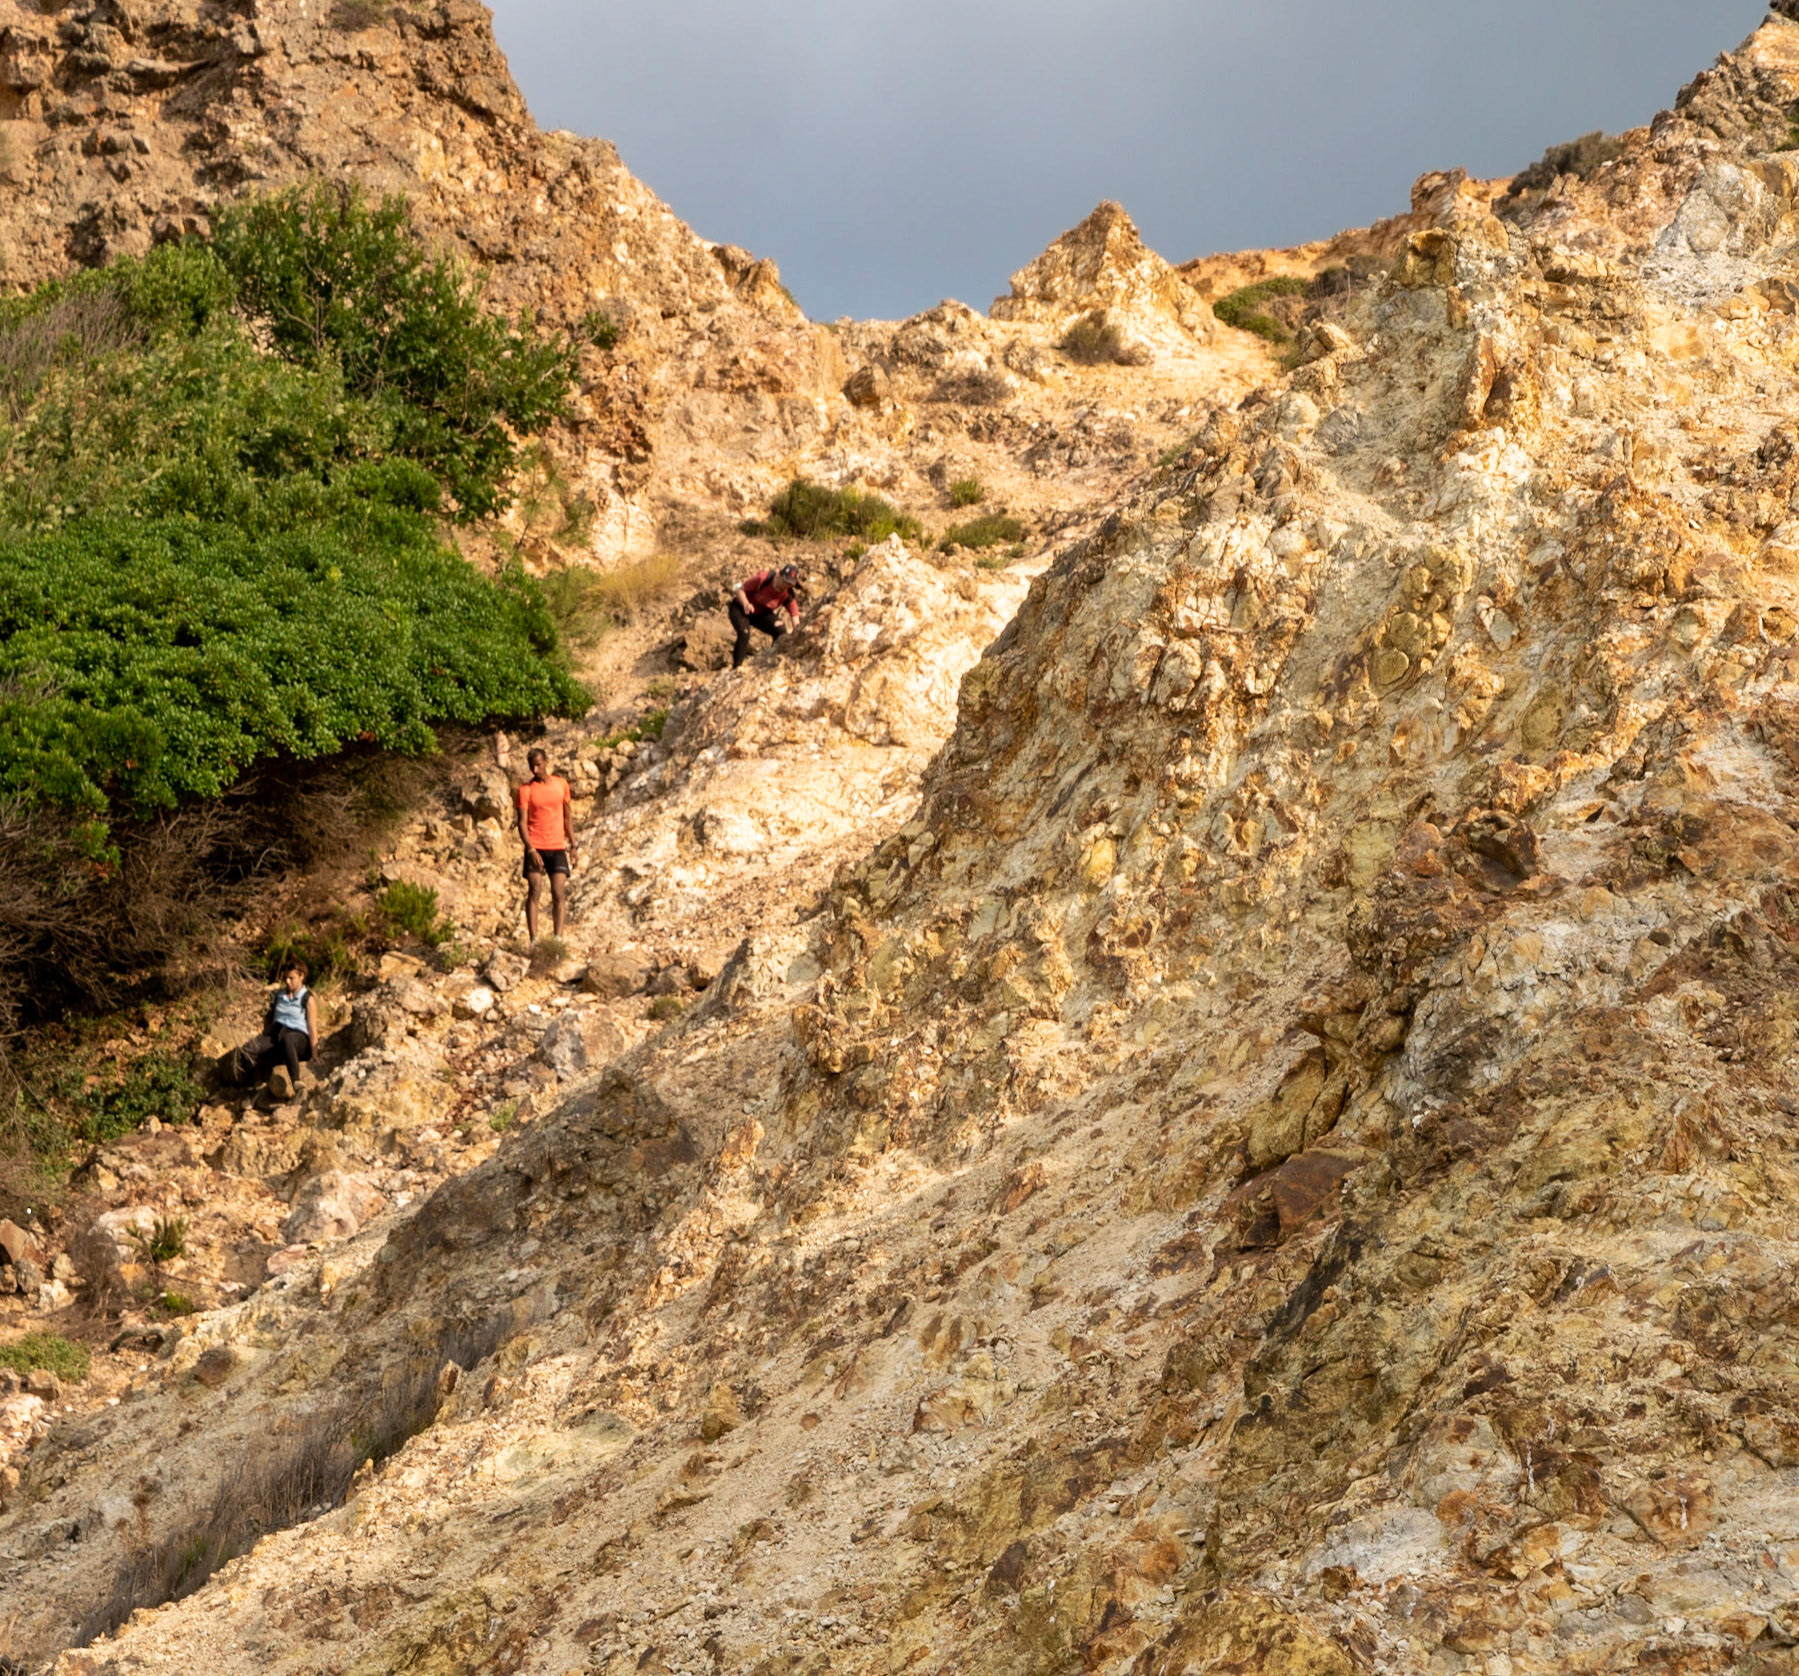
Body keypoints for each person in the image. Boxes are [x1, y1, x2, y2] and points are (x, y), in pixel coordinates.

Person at [228, 960, 318, 1099]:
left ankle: (297, 1082)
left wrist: (315, 1055)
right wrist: (262, 1041)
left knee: (288, 1039)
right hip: (276, 1034)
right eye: (285, 978)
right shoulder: (278, 996)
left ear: (301, 976)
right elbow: (269, 1019)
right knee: (248, 1049)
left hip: (298, 1038)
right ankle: (253, 1089)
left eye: (291, 978)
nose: (287, 982)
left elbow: (312, 1028)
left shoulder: (307, 998)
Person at [516, 746, 578, 940]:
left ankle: (557, 938)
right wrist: (531, 849)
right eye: (531, 766)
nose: (535, 770)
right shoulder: (525, 790)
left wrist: (574, 845)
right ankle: (534, 939)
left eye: (538, 765)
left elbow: (568, 817)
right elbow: (521, 822)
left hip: (557, 846)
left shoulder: (561, 785)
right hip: (536, 845)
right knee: (534, 889)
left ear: (546, 762)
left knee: (558, 892)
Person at [728, 563, 805, 668]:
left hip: (761, 614)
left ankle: (772, 660)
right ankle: (737, 667)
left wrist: (798, 634)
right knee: (744, 633)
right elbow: (739, 589)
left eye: (789, 584)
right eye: (784, 581)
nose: (786, 586)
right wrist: (746, 603)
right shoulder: (764, 578)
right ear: (779, 575)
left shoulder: (788, 594)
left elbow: (795, 619)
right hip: (740, 608)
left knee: (780, 630)